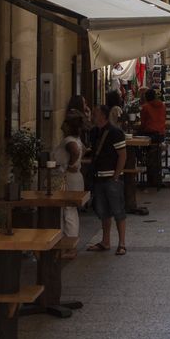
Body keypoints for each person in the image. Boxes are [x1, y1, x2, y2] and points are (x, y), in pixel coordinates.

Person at [83, 105, 127, 255]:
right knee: (103, 212)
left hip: (111, 178)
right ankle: (105, 241)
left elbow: (122, 155)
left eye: (95, 114)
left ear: (103, 116)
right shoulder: (94, 132)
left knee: (118, 210)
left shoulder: (115, 133)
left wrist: (116, 176)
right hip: (99, 177)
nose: (92, 116)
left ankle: (122, 243)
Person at [55, 113, 87, 242]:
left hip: (68, 176)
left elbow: (76, 151)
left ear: (68, 125)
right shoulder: (76, 138)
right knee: (69, 210)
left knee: (68, 211)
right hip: (75, 176)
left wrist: (71, 164)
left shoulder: (69, 140)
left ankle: (70, 243)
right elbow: (83, 149)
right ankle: (68, 242)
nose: (61, 125)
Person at [137, 88, 167, 188]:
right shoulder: (162, 105)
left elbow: (143, 123)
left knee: (136, 143)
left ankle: (140, 159)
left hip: (150, 135)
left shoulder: (145, 107)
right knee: (154, 154)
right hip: (160, 136)